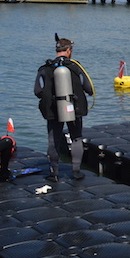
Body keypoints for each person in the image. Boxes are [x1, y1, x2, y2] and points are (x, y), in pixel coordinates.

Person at [34, 36, 93, 182]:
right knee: (76, 138)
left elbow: (37, 91)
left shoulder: (45, 68)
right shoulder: (75, 66)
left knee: (53, 141)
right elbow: (88, 88)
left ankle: (54, 173)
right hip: (74, 108)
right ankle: (76, 172)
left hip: (52, 110)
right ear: (68, 50)